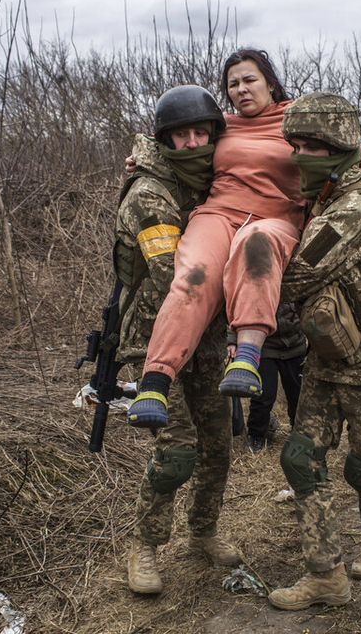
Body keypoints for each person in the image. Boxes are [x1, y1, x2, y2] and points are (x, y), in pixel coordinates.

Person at [126, 49, 361, 428]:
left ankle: (247, 356)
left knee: (256, 244)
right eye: (233, 84)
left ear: (269, 82)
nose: (241, 89)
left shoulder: (297, 117)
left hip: (276, 217)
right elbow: (178, 143)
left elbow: (335, 145)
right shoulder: (222, 125)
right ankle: (155, 382)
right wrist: (142, 160)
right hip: (217, 213)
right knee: (192, 276)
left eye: (249, 79)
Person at [267, 92, 361, 611]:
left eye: (311, 146)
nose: (299, 155)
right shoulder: (335, 187)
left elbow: (296, 274)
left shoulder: (359, 208)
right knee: (300, 458)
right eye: (296, 144)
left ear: (337, 147)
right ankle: (327, 575)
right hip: (329, 355)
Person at [116, 85, 241, 595]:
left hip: (207, 340)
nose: (192, 144)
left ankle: (203, 530)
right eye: (180, 136)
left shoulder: (217, 180)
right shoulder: (150, 193)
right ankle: (144, 543)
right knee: (178, 451)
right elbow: (176, 277)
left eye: (200, 133)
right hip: (155, 345)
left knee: (219, 446)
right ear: (164, 140)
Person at [229, 302, 306, 453]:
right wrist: (232, 341)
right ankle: (257, 437)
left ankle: (299, 433)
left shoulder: (298, 279)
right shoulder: (254, 279)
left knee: (298, 394)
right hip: (264, 347)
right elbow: (237, 309)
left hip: (295, 346)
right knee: (263, 396)